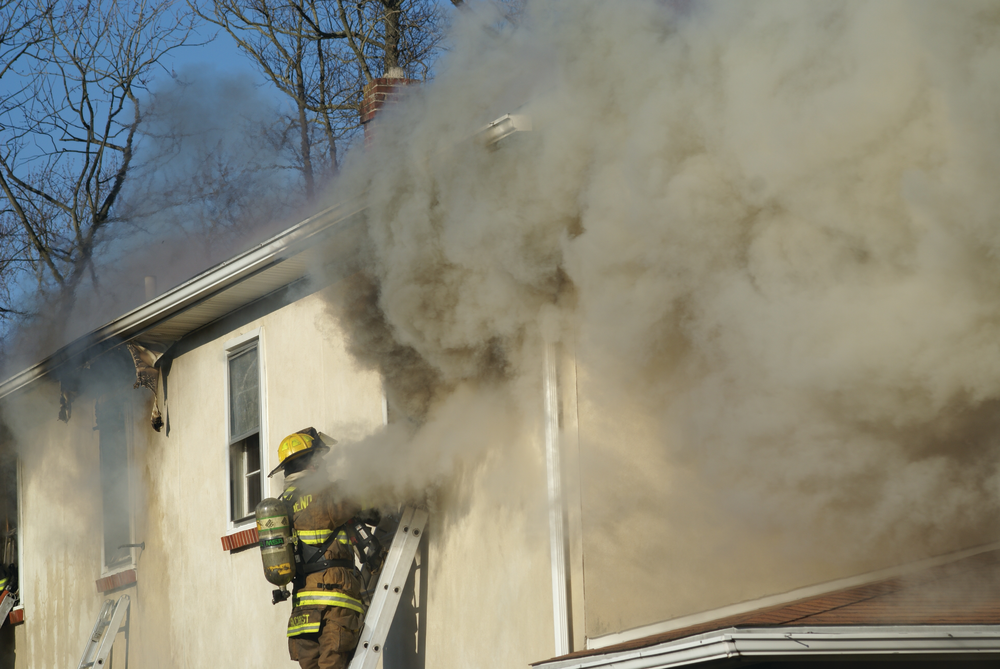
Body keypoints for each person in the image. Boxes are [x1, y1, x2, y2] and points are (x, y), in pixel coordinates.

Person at [268, 428, 364, 669]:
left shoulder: (283, 504)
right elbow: (366, 495)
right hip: (334, 601)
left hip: (302, 610)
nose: (326, 467)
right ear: (311, 465)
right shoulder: (326, 494)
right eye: (321, 461)